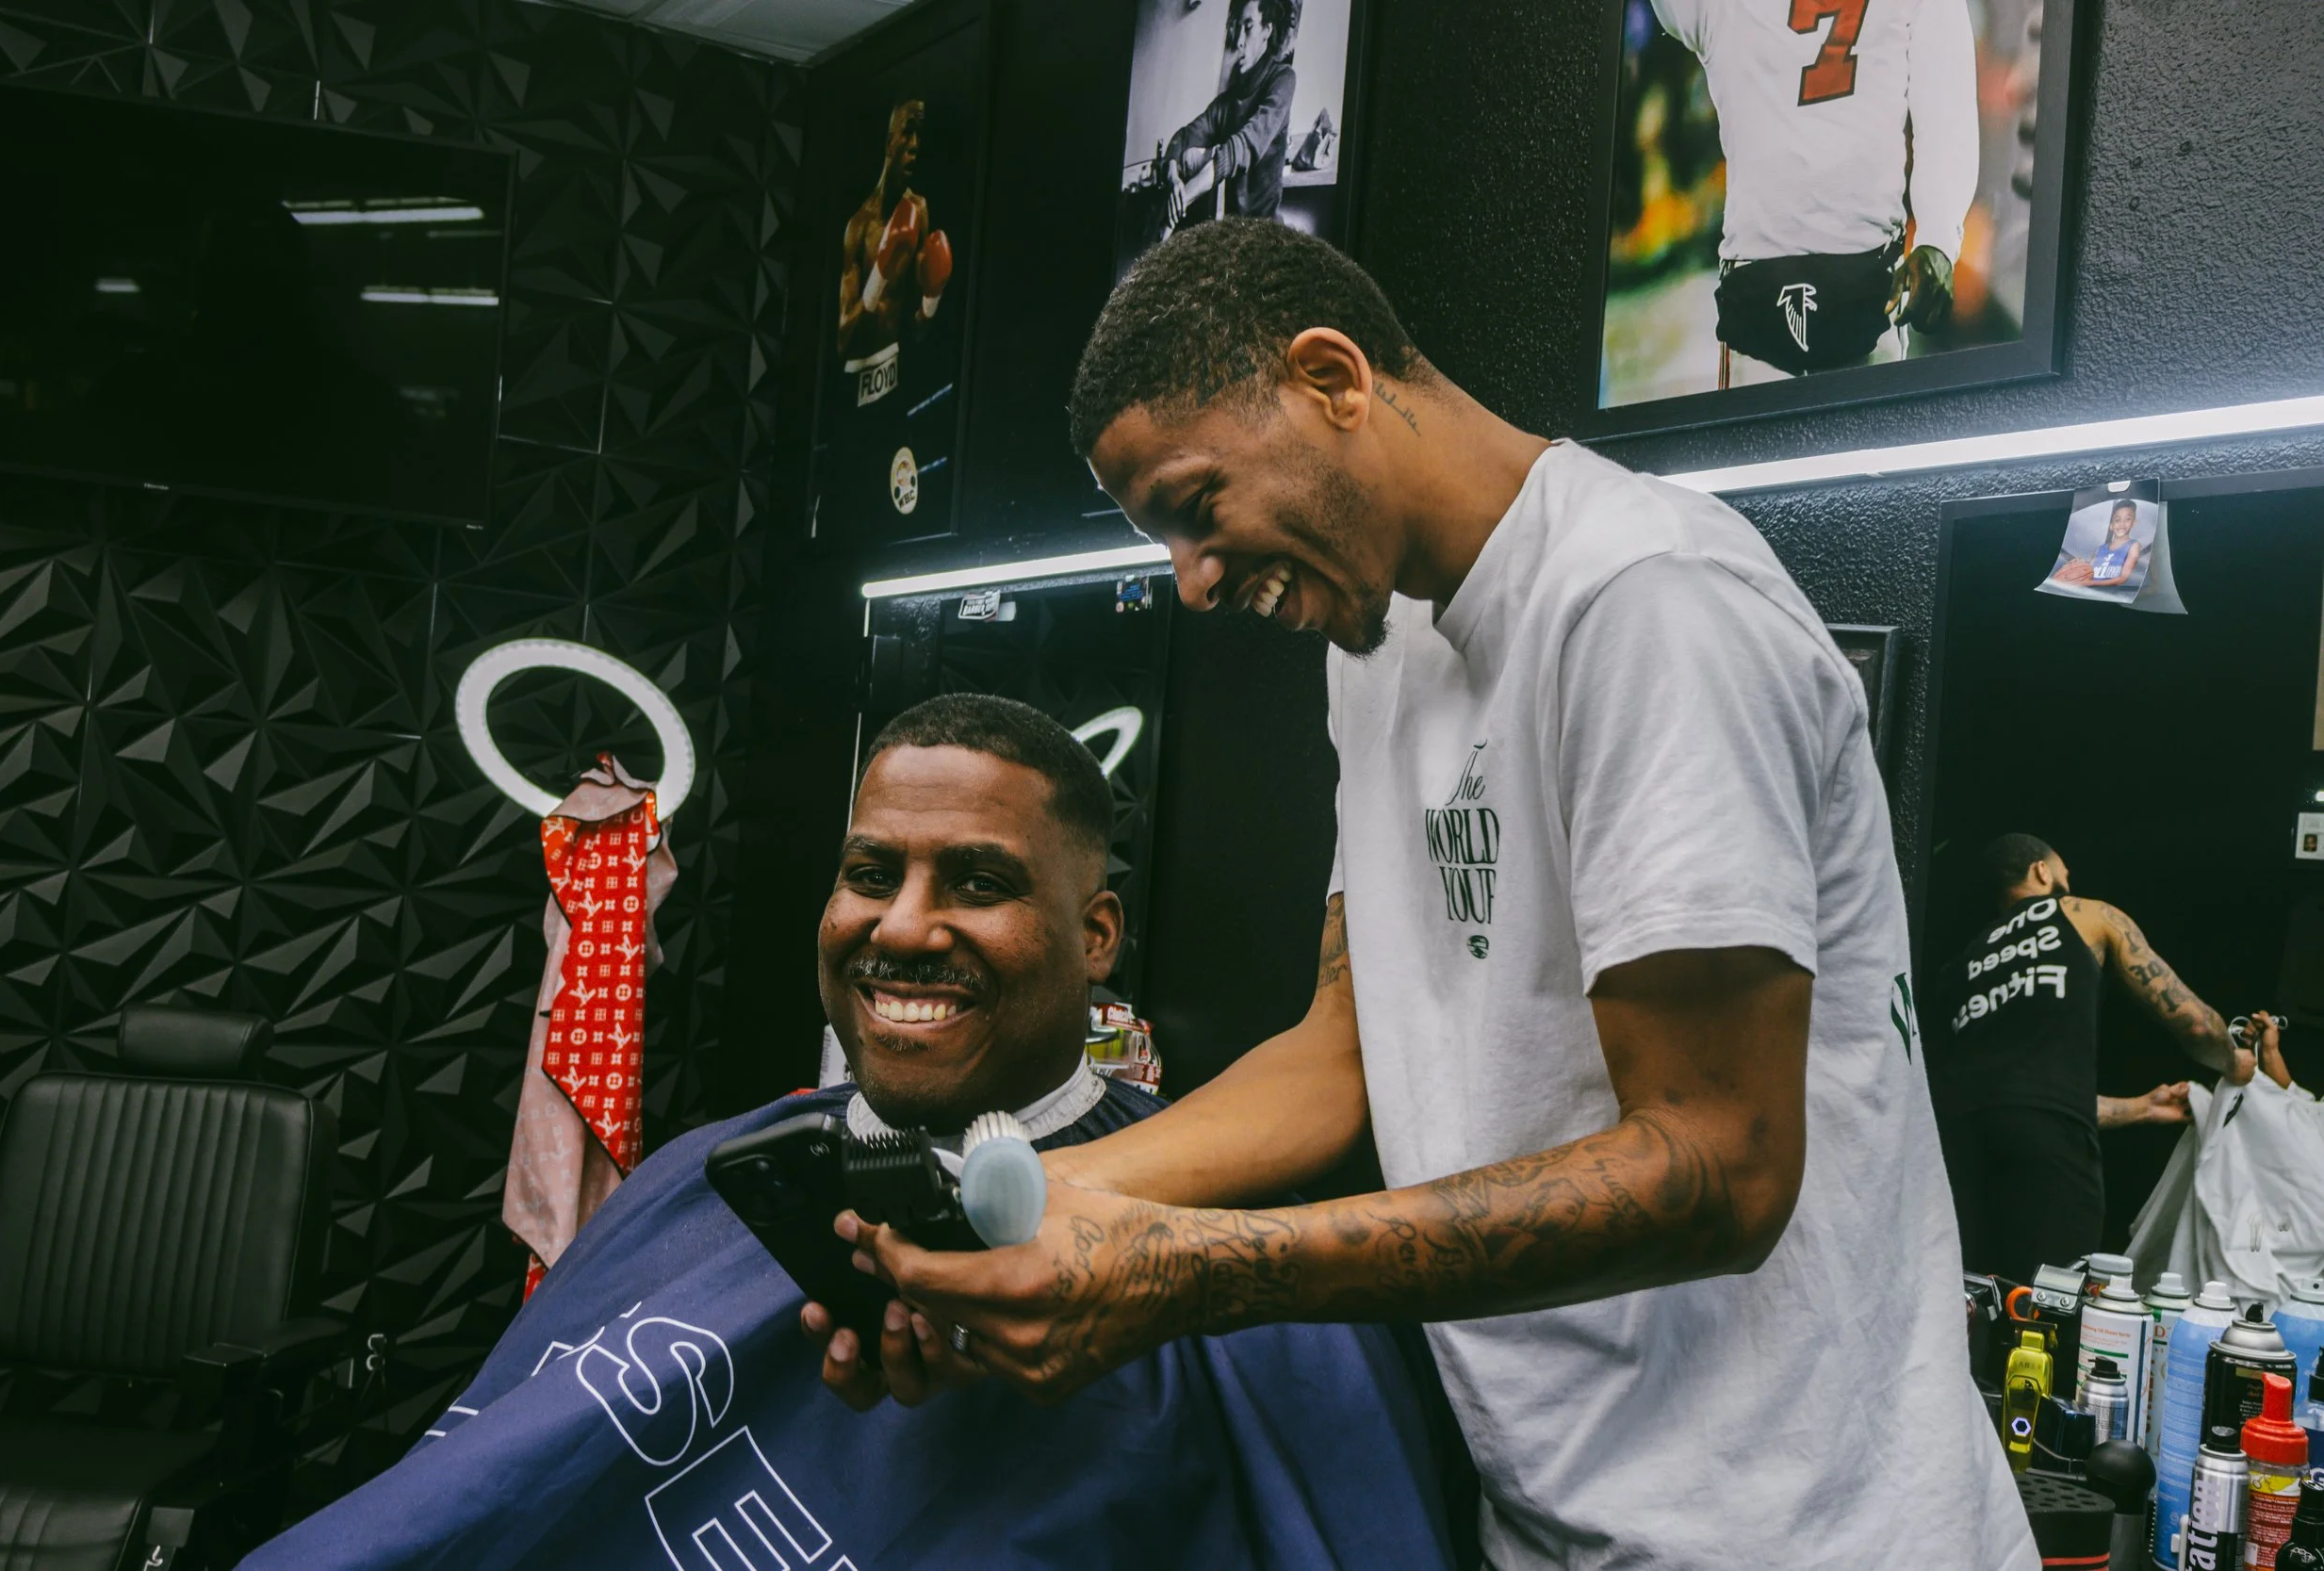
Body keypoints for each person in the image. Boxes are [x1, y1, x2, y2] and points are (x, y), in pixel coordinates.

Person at [825, 219, 2033, 1570]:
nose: (1194, 581)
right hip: (1552, 1517)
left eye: (1196, 505)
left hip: (1801, 1531)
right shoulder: (1379, 640)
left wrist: (1194, 1267)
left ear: (1333, 376)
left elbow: (1718, 1168)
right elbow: (1346, 1052)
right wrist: (1009, 1204)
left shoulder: (1646, 606)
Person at [244, 693, 1459, 1571]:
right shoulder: (712, 1174)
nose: (903, 926)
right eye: (871, 871)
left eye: (979, 883)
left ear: (1097, 936)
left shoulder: (1206, 1269)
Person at [1925, 833, 2258, 1284]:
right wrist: (2233, 1059)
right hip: (2047, 1154)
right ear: (2041, 871)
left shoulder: (1958, 968)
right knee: (2049, 1303)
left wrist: (2143, 1107)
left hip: (1953, 1152)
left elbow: (2011, 1098)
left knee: (1968, 1299)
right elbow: (2195, 1025)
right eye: (2063, 872)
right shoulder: (2085, 914)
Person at [1647, 0, 1977, 376]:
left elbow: (1945, 109)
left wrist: (1937, 237)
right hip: (1850, 273)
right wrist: (1938, 236)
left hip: (1824, 275)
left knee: (1761, 432)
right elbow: (1947, 111)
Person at [837, 99, 953, 386]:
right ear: (890, 143)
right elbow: (842, 339)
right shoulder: (859, 226)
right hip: (854, 377)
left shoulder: (918, 210)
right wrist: (880, 273)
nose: (914, 145)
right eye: (907, 132)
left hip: (895, 374)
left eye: (919, 136)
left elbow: (919, 330)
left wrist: (931, 298)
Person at [1159, 0, 1297, 237]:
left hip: (1265, 235)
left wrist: (1183, 200)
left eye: (1249, 27)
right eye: (1237, 29)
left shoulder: (1283, 79)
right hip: (1230, 235)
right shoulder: (1226, 103)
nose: (1239, 41)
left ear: (1267, 31)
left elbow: (1242, 147)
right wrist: (1174, 183)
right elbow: (1182, 138)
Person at [2051, 499, 2145, 589]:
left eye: (2128, 519)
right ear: (2111, 525)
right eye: (2117, 520)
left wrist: (2090, 583)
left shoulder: (2133, 546)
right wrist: (2080, 563)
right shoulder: (2100, 549)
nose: (2122, 524)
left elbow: (2122, 578)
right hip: (2091, 592)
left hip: (2111, 594)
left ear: (2134, 523)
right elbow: (2089, 570)